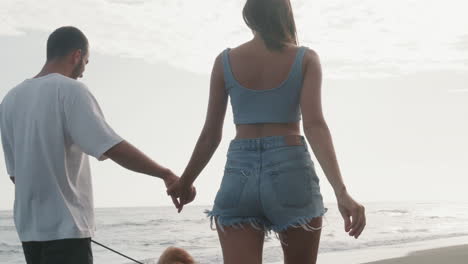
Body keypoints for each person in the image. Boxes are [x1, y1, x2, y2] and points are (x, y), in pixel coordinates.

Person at [167, 0, 366, 263]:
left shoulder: (225, 61)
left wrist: (185, 181)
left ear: (249, 16)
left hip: (239, 173)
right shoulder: (305, 59)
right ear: (286, 15)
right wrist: (341, 192)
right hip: (290, 169)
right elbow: (315, 125)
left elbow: (210, 135)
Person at [0, 26, 194, 264]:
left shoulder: (9, 100)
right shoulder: (70, 90)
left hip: (29, 233)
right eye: (87, 63)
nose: (82, 72)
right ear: (77, 55)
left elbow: (16, 176)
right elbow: (112, 146)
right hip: (66, 230)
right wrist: (166, 174)